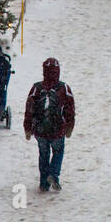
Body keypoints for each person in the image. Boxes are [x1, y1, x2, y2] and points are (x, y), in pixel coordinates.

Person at [24, 58, 75, 192]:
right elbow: (70, 109)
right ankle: (53, 174)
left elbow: (29, 109)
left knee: (43, 154)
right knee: (58, 152)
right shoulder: (64, 88)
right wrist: (69, 126)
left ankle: (43, 183)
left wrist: (28, 128)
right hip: (57, 129)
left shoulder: (37, 88)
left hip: (40, 130)